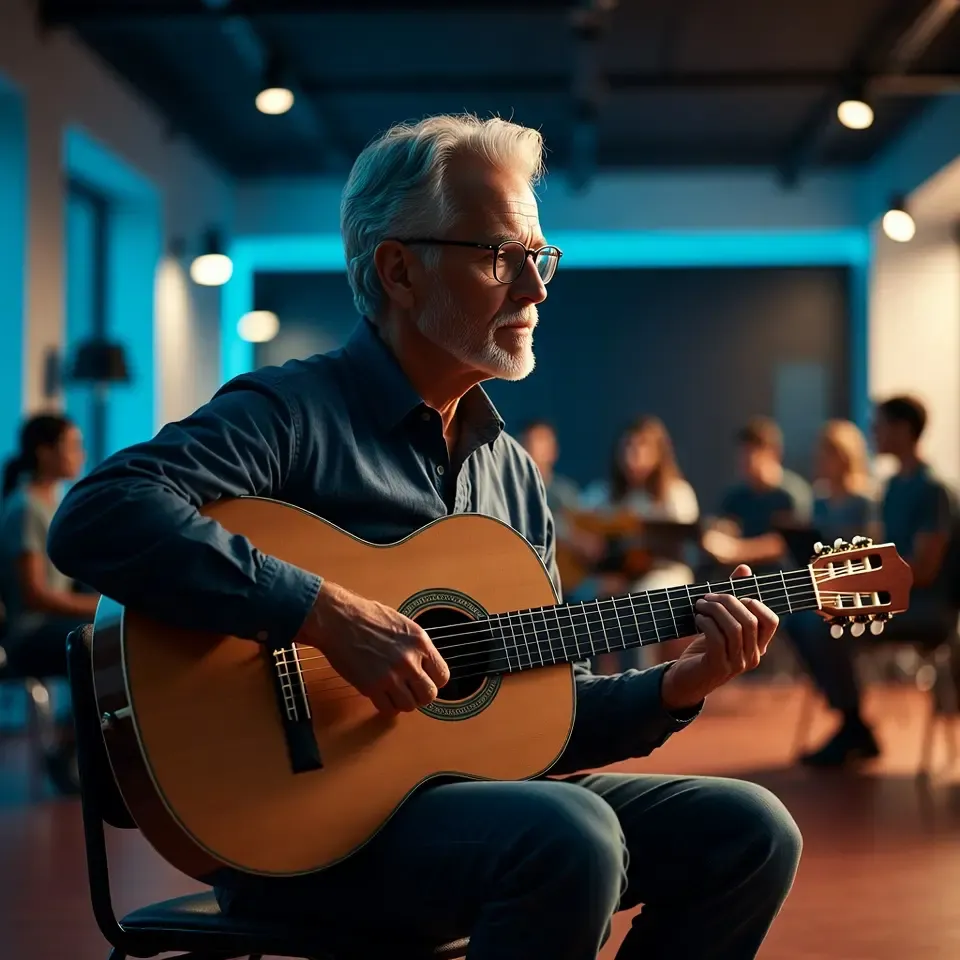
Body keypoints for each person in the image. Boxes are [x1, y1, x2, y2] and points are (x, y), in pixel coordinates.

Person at [47, 114, 800, 960]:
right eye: (499, 256)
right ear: (399, 270)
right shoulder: (292, 413)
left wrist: (678, 685)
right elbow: (99, 512)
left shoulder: (512, 474)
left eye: (540, 257)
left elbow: (549, 715)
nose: (535, 289)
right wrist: (323, 613)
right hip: (298, 828)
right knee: (571, 835)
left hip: (471, 813)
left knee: (751, 829)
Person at [792, 398, 958, 767]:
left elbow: (923, 570)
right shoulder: (893, 487)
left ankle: (852, 726)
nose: (873, 434)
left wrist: (860, 579)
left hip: (921, 608)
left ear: (903, 429)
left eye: (879, 426)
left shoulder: (934, 490)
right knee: (802, 620)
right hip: (888, 598)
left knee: (821, 625)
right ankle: (852, 722)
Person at [0, 413, 99, 793]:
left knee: (112, 637)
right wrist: (99, 607)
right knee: (100, 643)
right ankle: (70, 748)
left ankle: (79, 746)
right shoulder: (26, 507)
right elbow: (35, 596)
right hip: (28, 634)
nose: (80, 454)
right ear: (45, 452)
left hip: (50, 625)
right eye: (72, 446)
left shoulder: (52, 502)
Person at [581, 416, 700, 666]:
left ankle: (639, 681)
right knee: (583, 598)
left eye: (641, 447)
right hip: (615, 577)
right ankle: (584, 680)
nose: (632, 456)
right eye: (627, 447)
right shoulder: (603, 494)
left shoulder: (676, 493)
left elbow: (680, 546)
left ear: (658, 453)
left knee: (638, 602)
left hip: (665, 574)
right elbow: (570, 522)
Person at [702, 416, 812, 573]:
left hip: (779, 577)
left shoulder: (791, 495)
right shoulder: (735, 497)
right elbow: (726, 526)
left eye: (750, 453)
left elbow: (788, 544)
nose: (744, 460)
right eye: (742, 454)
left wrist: (736, 550)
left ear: (773, 453)